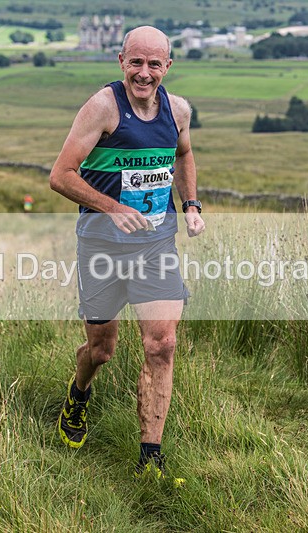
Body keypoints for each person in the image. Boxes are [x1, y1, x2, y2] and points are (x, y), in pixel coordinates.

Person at [49, 25, 205, 480]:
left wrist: (191, 205)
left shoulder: (177, 111)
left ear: (167, 67)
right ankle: (78, 396)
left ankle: (149, 458)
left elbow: (184, 154)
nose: (144, 72)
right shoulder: (102, 107)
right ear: (121, 61)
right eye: (135, 62)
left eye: (154, 64)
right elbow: (61, 175)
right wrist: (113, 208)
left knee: (163, 344)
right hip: (101, 245)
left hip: (155, 245)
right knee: (102, 349)